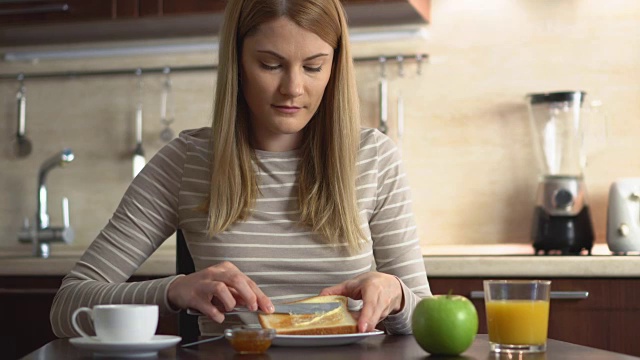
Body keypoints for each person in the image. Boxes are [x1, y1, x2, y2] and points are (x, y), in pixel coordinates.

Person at [50, 0, 431, 338]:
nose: (293, 88)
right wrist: (173, 290)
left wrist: (397, 297)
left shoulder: (374, 158)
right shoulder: (186, 161)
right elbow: (67, 307)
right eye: (270, 65)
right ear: (237, 63)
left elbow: (427, 318)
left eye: (314, 66)